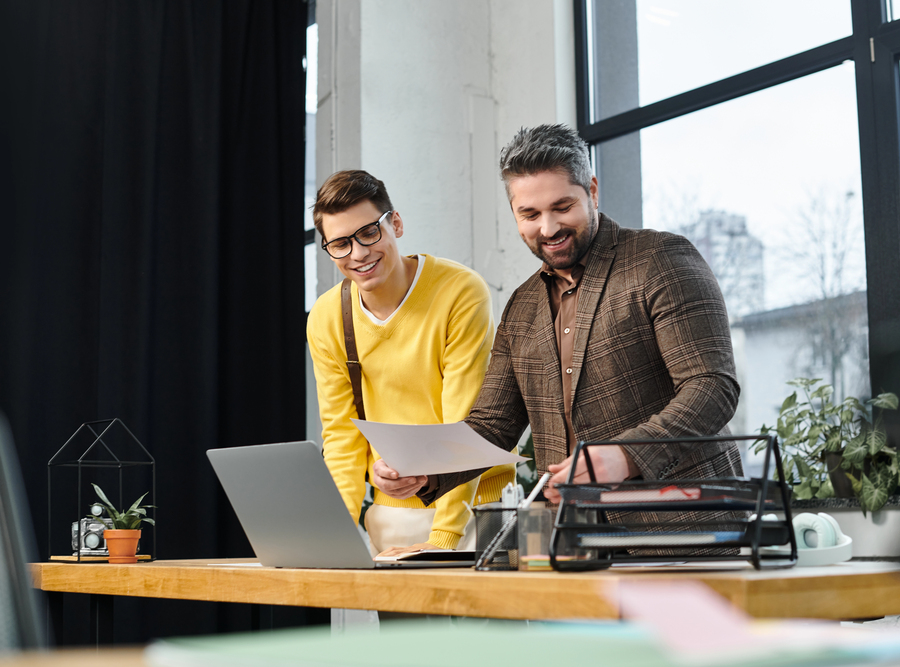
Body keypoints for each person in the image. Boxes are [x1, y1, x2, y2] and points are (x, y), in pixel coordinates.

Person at [372, 124, 743, 517]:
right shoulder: (521, 306)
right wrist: (421, 469)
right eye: (529, 214)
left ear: (593, 192)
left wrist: (625, 456)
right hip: (578, 537)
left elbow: (711, 386)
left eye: (562, 207)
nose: (548, 229)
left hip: (689, 526)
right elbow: (493, 427)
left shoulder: (658, 259)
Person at [306, 170, 514, 558]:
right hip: (394, 514)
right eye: (340, 244)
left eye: (369, 233)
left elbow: (463, 421)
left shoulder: (458, 291)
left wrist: (444, 539)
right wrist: (333, 538)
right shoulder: (326, 317)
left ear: (395, 223)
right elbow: (341, 438)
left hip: (479, 510)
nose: (358, 254)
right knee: (407, 622)